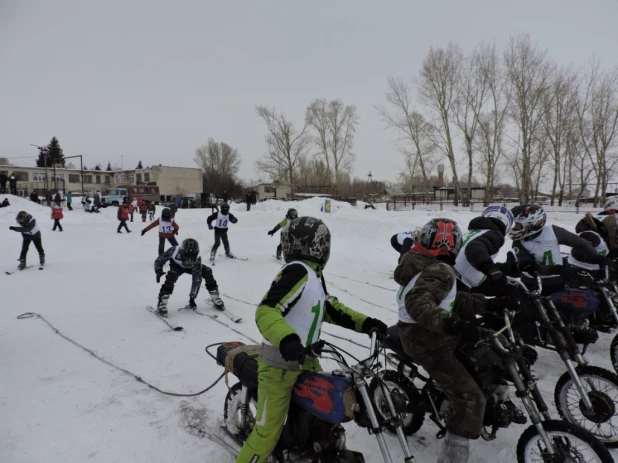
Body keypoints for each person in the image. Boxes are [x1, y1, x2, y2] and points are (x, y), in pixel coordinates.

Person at [235, 216, 387, 463]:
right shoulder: (297, 271)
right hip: (280, 367)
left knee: (318, 419)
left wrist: (367, 324)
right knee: (266, 434)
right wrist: (287, 340)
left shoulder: (313, 276)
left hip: (307, 361)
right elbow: (266, 309)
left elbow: (329, 308)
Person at [395, 218, 517, 463]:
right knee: (469, 398)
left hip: (428, 332)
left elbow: (453, 298)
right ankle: (452, 456)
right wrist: (454, 324)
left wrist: (491, 303)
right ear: (454, 245)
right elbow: (418, 302)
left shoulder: (425, 263)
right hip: (426, 340)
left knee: (491, 348)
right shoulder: (439, 269)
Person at [510, 204, 608, 294]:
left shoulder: (553, 231)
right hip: (532, 283)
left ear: (533, 223)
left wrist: (597, 257)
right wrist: (557, 269)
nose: (514, 228)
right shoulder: (518, 242)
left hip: (556, 282)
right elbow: (530, 266)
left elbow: (580, 243)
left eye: (518, 225)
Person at [454, 205, 531, 296]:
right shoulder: (495, 233)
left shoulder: (473, 232)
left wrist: (513, 267)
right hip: (461, 285)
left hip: (454, 277)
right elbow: (474, 249)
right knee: (514, 293)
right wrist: (491, 269)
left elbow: (477, 261)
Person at [154, 238, 225, 317]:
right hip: (177, 266)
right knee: (171, 276)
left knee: (207, 271)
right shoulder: (173, 251)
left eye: (193, 256)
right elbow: (159, 260)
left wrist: (192, 298)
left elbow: (197, 279)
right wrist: (158, 270)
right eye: (187, 256)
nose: (190, 259)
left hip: (192, 267)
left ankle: (215, 297)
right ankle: (162, 302)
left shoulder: (197, 258)